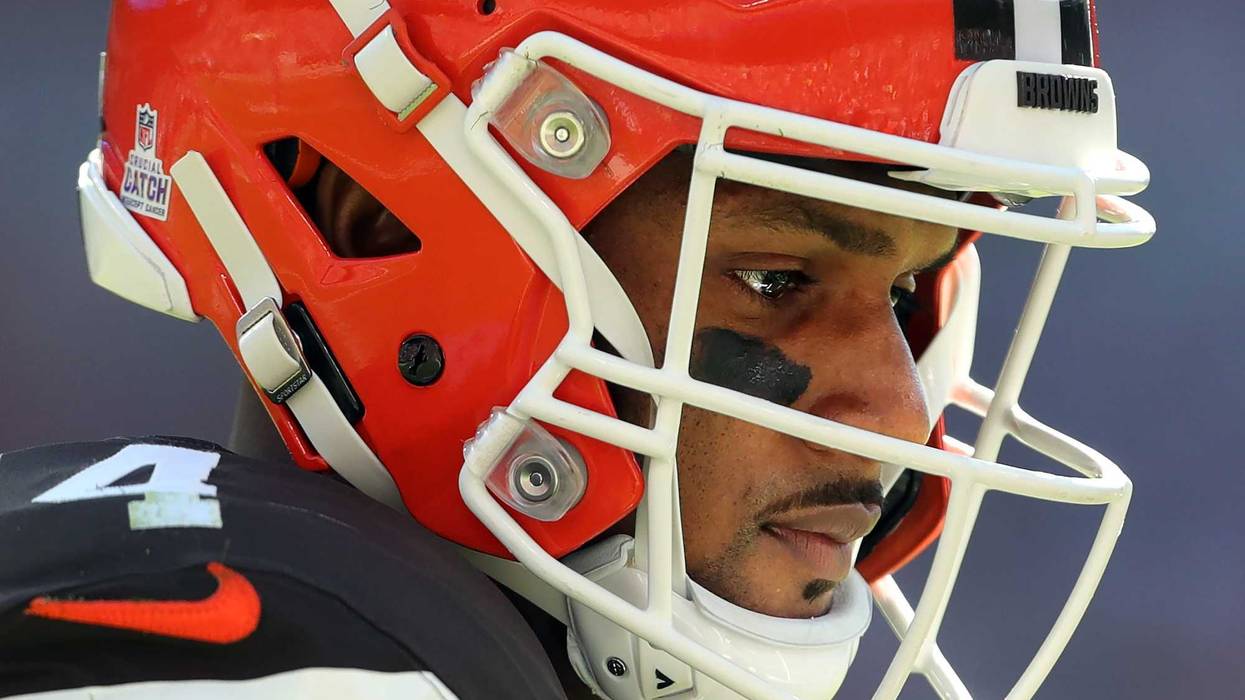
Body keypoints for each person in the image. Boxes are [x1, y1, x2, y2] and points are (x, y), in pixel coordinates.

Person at [1, 0, 1155, 698]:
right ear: (363, 216)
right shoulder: (287, 654)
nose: (902, 421)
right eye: (775, 279)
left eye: (909, 288)